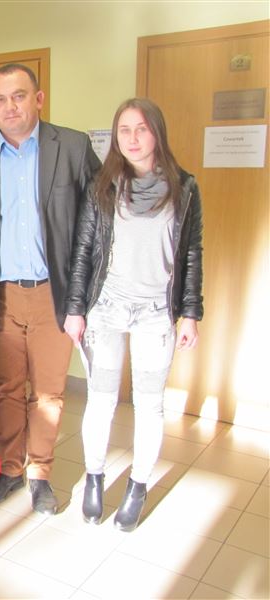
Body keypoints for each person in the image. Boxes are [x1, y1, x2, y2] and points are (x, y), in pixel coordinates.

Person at [0, 63, 100, 515]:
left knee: (49, 393)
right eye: (0, 99)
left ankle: (40, 473)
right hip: (0, 294)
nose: (9, 107)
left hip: (54, 294)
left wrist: (83, 299)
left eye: (19, 96)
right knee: (7, 390)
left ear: (38, 99)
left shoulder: (72, 147)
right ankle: (10, 469)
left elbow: (97, 224)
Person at [64, 98, 203, 531]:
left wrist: (190, 313)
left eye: (142, 128)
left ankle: (137, 486)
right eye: (124, 130)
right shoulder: (102, 185)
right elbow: (84, 249)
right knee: (101, 400)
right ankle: (94, 477)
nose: (133, 138)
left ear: (157, 133)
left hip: (156, 313)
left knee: (149, 405)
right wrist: (75, 309)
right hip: (106, 309)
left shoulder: (185, 187)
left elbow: (192, 253)